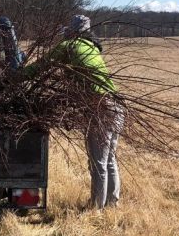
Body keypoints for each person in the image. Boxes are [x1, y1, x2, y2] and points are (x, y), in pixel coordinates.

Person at [26, 15, 124, 210]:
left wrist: (13, 77)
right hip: (117, 106)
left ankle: (96, 208)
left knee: (98, 162)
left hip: (102, 108)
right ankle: (112, 204)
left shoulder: (69, 46)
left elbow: (40, 66)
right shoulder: (92, 47)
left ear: (72, 31)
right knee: (109, 160)